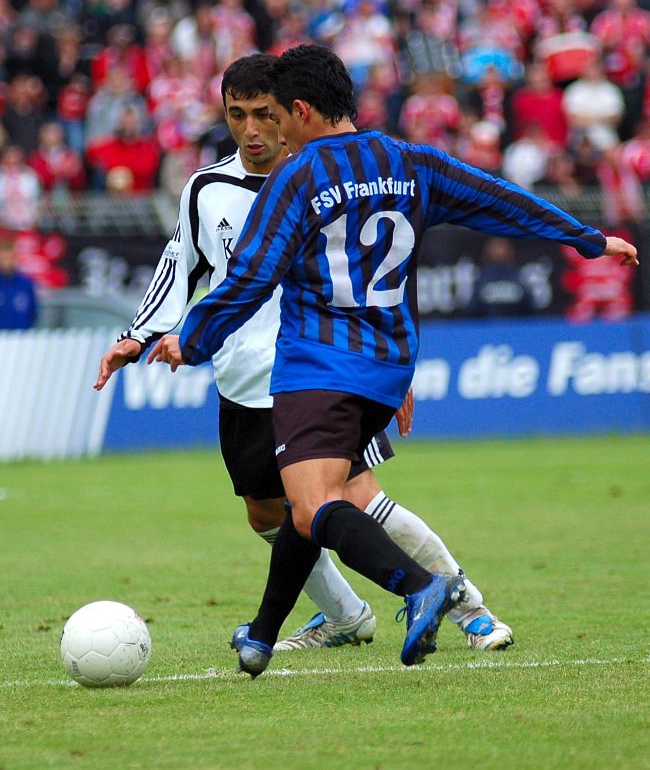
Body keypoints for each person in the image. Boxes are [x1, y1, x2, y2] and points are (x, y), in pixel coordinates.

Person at [150, 44, 638, 678]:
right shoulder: (409, 162)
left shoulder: (298, 176)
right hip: (389, 367)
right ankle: (263, 637)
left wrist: (193, 338)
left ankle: (425, 588)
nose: (273, 131)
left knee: (314, 506)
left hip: (319, 364)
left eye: (278, 116)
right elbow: (499, 199)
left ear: (301, 110)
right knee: (311, 495)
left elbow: (250, 274)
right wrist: (588, 238)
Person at [95, 54, 514, 656]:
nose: (251, 130)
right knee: (267, 512)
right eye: (236, 114)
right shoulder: (206, 189)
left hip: (325, 369)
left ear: (292, 112)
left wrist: (393, 371)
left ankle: (471, 610)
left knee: (357, 498)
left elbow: (381, 276)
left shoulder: (329, 178)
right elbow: (179, 265)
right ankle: (346, 616)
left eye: (263, 114)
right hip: (242, 379)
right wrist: (138, 334)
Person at [0, 227, 38, 330]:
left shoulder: (26, 284)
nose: (7, 263)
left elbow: (33, 313)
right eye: (3, 259)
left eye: (10, 258)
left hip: (21, 336)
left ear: (16, 258)